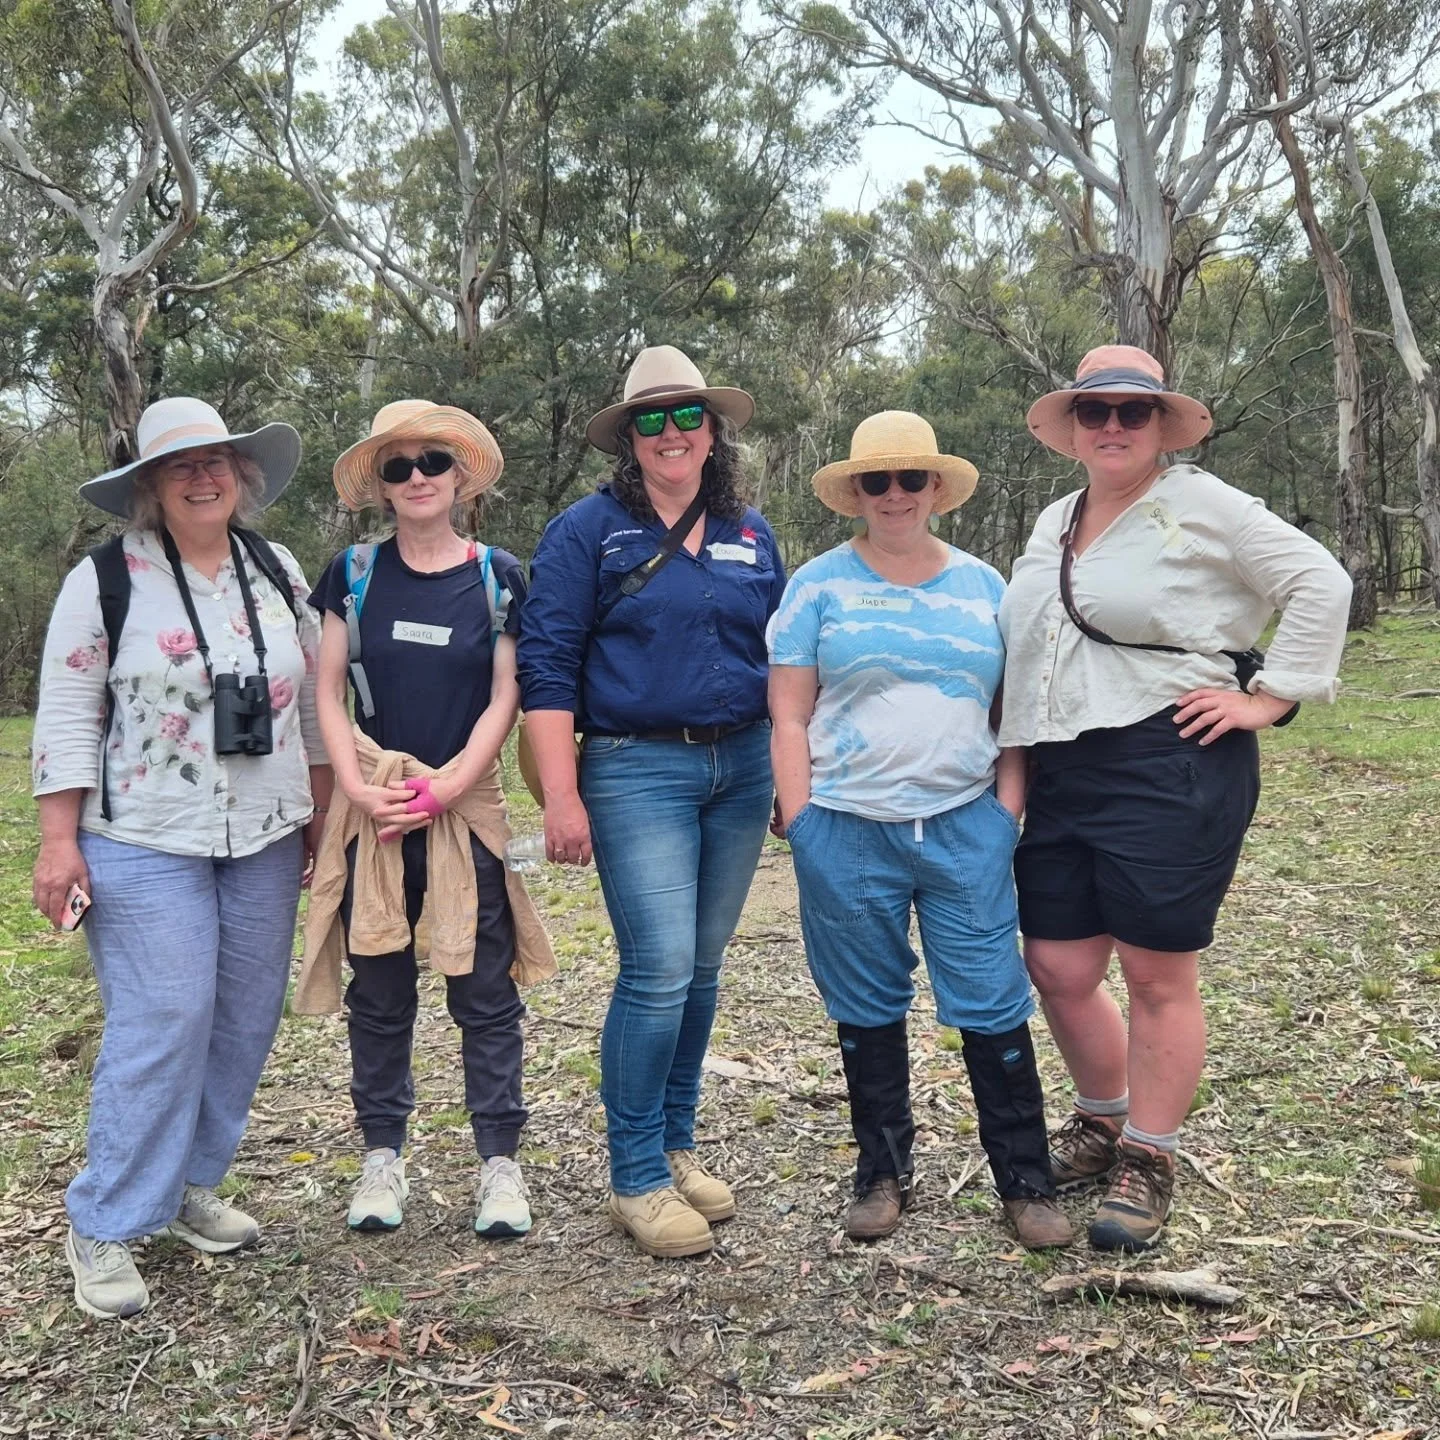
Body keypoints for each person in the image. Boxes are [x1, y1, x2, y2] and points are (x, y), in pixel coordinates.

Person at [1001, 345, 1352, 1251]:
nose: (1113, 426)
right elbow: (1034, 639)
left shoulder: (1202, 503)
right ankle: (1105, 1117)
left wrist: (1271, 697)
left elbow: (1320, 581)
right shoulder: (1056, 517)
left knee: (1157, 973)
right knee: (1060, 965)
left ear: (1163, 424)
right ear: (1072, 425)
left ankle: (1150, 1159)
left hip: (1172, 757)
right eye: (1095, 411)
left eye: (1134, 411)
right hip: (1065, 763)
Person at [31, 397, 329, 1318]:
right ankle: (110, 1217)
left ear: (242, 477)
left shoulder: (276, 569)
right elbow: (69, 710)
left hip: (267, 830)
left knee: (243, 1016)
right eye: (180, 466)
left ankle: (190, 1184)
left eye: (217, 462)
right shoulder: (106, 578)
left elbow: (314, 696)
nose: (203, 477)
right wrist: (56, 840)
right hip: (141, 835)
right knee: (163, 1015)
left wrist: (320, 806)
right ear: (152, 489)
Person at [767, 410, 1072, 1249]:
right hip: (847, 826)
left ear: (936, 488)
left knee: (990, 997)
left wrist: (1005, 813)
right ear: (856, 493)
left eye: (910, 479)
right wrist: (803, 823)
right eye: (877, 481)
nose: (894, 495)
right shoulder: (817, 587)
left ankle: (1025, 1180)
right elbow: (788, 715)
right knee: (866, 1002)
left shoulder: (985, 588)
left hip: (964, 824)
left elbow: (1014, 715)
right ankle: (881, 1173)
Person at [518, 345, 784, 1258]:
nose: (671, 435)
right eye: (651, 421)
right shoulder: (586, 532)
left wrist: (793, 773)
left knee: (703, 968)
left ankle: (676, 1145)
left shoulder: (752, 531)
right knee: (658, 968)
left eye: (687, 417)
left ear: (714, 430)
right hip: (636, 768)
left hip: (744, 767)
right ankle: (633, 1174)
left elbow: (783, 664)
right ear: (628, 439)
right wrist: (561, 795)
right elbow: (545, 667)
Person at [298, 400, 556, 1240]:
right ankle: (382, 1158)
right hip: (372, 807)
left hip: (458, 807)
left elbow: (506, 694)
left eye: (432, 463)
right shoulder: (354, 572)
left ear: (461, 478)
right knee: (378, 990)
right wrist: (353, 785)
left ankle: (499, 1165)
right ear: (379, 483)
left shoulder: (497, 576)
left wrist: (449, 786)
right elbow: (327, 685)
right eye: (398, 466)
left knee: (482, 991)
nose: (416, 479)